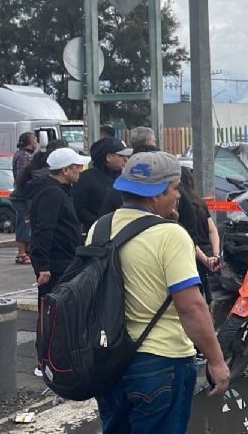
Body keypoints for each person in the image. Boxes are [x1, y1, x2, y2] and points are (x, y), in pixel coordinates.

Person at [94, 151, 229, 432]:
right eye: (174, 188)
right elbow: (191, 306)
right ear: (156, 195)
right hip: (160, 362)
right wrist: (216, 361)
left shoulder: (100, 227)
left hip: (108, 361)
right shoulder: (170, 234)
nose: (178, 196)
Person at [27, 148, 90, 303]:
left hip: (64, 259)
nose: (81, 171)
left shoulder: (59, 191)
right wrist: (43, 266)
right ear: (65, 170)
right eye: (77, 166)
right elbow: (44, 230)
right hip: (57, 263)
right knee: (55, 311)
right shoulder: (52, 193)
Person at [72, 137, 133, 232]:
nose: (126, 159)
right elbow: (79, 209)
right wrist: (99, 224)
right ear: (109, 157)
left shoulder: (125, 177)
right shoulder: (86, 178)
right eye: (121, 156)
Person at [179, 167, 221, 303]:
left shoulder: (181, 207)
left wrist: (205, 259)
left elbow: (188, 240)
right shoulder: (200, 203)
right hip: (207, 255)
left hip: (193, 257)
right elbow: (212, 230)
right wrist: (215, 255)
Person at [11, 132, 38, 263]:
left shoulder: (25, 154)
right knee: (23, 222)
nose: (37, 142)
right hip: (23, 195)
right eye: (34, 139)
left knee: (27, 222)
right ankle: (22, 254)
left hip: (25, 194)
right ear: (29, 142)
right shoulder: (23, 155)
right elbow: (22, 176)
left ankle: (26, 252)